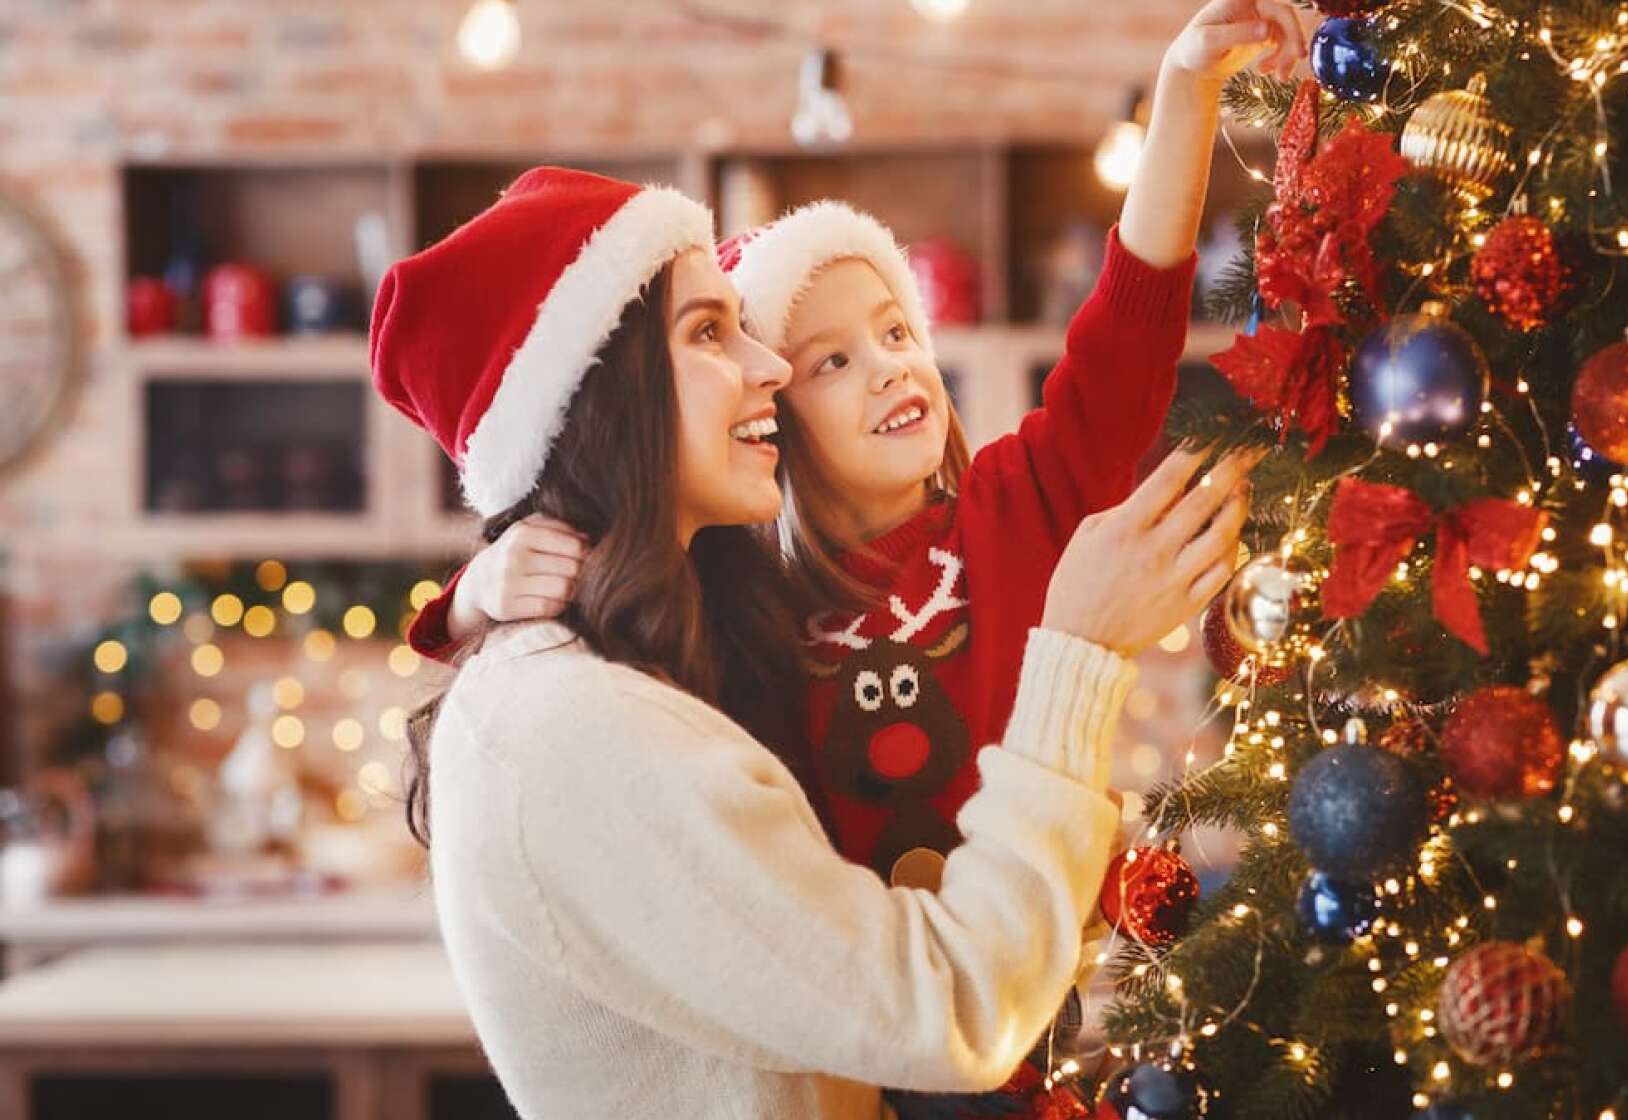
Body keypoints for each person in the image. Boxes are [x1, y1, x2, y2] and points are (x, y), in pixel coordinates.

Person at [370, 165, 1253, 1118]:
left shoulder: (677, 631)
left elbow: (1122, 348)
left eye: (895, 331)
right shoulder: (584, 724)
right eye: (711, 332)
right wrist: (1080, 648)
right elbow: (952, 1007)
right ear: (602, 399)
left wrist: (476, 601)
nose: (773, 369)